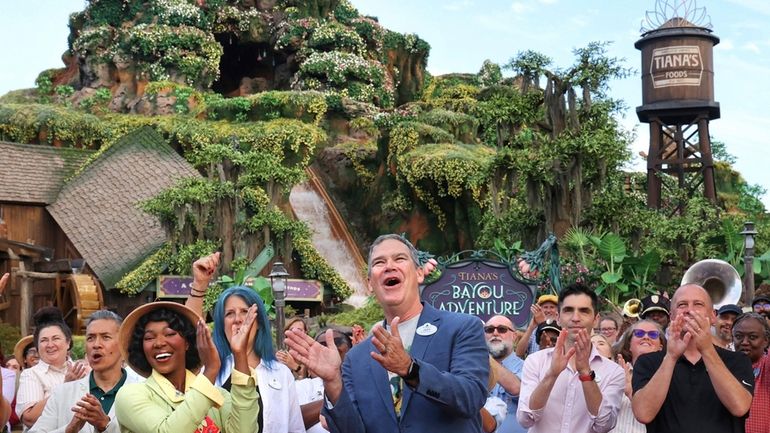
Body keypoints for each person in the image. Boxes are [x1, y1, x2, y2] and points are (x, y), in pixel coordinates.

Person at [286, 234, 489, 433]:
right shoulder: (356, 357)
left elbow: (470, 398)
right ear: (370, 284)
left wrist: (411, 370)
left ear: (419, 273)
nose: (389, 266)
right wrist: (333, 383)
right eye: (379, 262)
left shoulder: (462, 328)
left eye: (399, 258)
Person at [187, 253, 305, 433]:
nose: (238, 319)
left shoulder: (281, 373)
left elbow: (295, 428)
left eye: (245, 312)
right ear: (222, 325)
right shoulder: (211, 370)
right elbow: (188, 333)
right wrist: (199, 285)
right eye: (229, 314)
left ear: (258, 324)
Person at [114, 301, 258, 433]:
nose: (159, 343)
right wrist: (211, 370)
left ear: (187, 343)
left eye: (169, 334)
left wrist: (240, 355)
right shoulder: (131, 395)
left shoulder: (217, 395)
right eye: (149, 338)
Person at [632, 284, 754, 433]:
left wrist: (707, 350)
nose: (689, 310)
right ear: (671, 316)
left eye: (698, 304)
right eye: (682, 305)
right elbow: (643, 413)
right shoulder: (648, 362)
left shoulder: (738, 360)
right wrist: (670, 357)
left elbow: (740, 407)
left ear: (713, 316)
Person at [517, 283, 625, 433]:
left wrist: (586, 373)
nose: (575, 318)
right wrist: (552, 374)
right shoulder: (536, 361)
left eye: (584, 311)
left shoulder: (614, 371)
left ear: (596, 319)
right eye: (568, 310)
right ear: (558, 318)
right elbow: (525, 419)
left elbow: (604, 425)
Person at [29, 310, 141, 433]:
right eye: (90, 338)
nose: (96, 344)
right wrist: (69, 429)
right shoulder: (62, 393)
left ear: (123, 343)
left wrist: (105, 425)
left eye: (106, 337)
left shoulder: (143, 391)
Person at [16, 307, 89, 429]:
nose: (50, 345)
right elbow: (29, 418)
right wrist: (65, 388)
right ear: (38, 347)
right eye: (44, 340)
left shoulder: (85, 371)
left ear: (68, 342)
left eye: (56, 338)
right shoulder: (31, 374)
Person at [609, 320, 666, 433]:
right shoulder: (614, 371)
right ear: (629, 344)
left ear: (661, 346)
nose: (645, 337)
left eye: (653, 334)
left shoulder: (668, 376)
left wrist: (631, 393)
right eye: (639, 333)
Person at [484, 315, 525, 433]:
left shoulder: (528, 366)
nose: (495, 333)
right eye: (489, 330)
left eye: (502, 329)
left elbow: (517, 389)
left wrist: (482, 353)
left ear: (515, 336)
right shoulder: (473, 369)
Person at [731, 312, 770, 433]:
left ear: (766, 341)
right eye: (738, 336)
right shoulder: (725, 367)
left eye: (752, 337)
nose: (744, 342)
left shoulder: (766, 365)